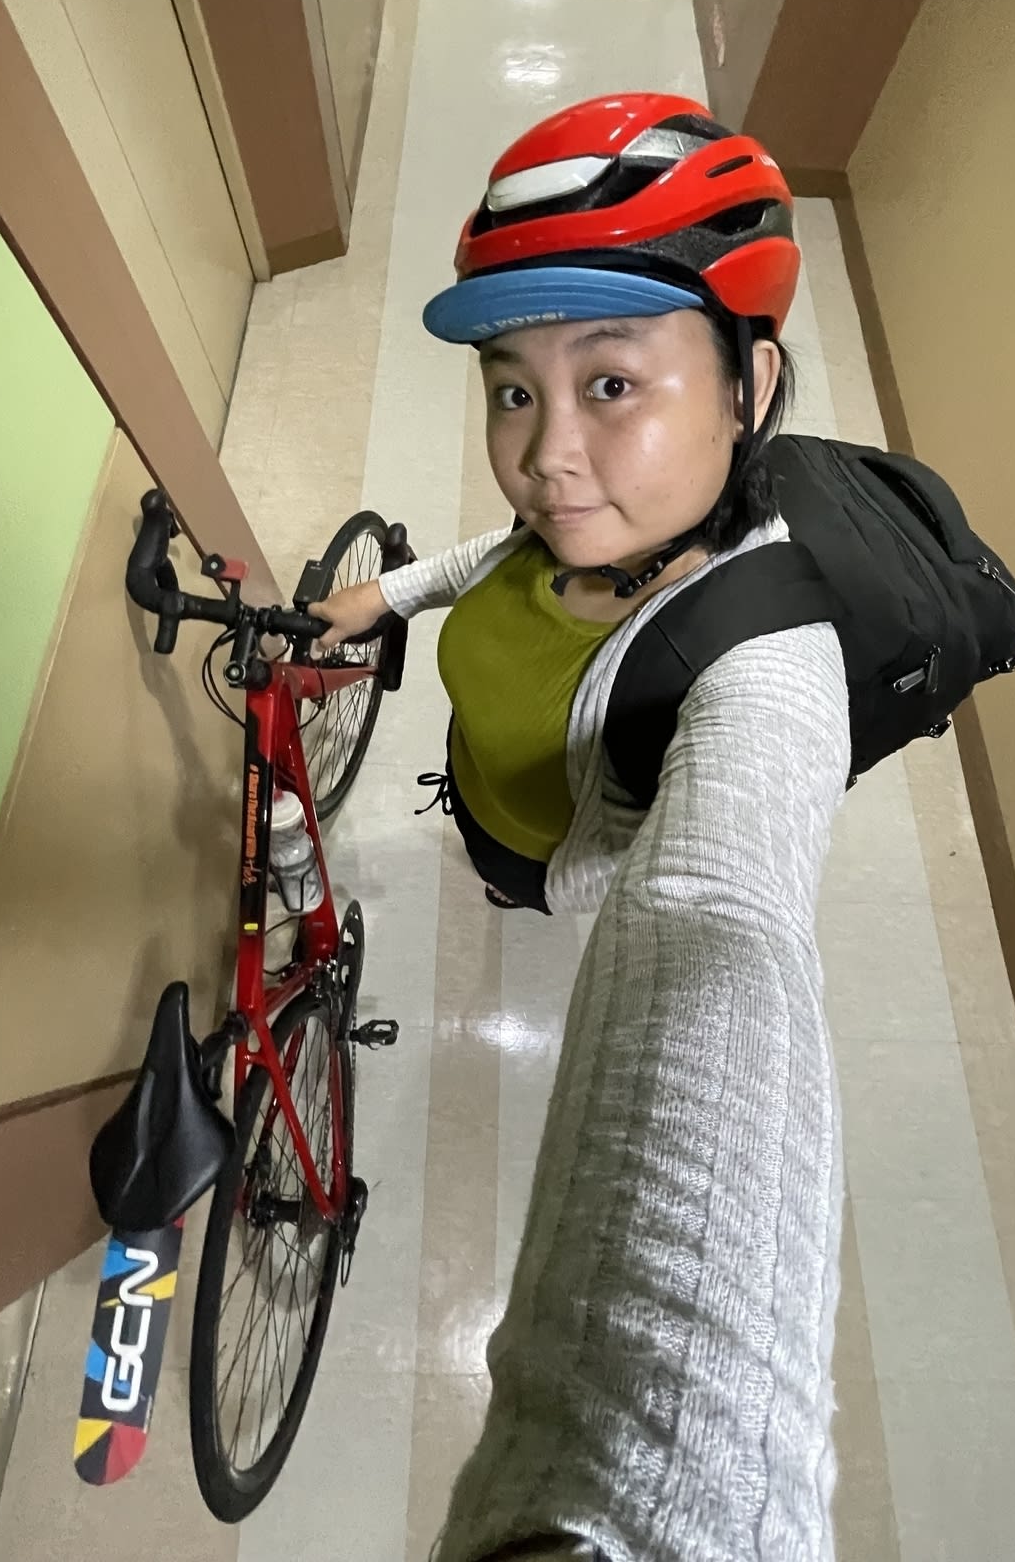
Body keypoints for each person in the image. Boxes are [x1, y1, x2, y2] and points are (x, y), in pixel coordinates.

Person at [313, 94, 850, 1561]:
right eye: (508, 388)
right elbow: (510, 545)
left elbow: (716, 930)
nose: (545, 455)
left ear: (749, 381)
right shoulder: (585, 518)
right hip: (499, 810)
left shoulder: (767, 662)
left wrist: (629, 1505)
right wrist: (393, 592)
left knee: (574, 909)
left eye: (611, 385)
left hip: (577, 874)